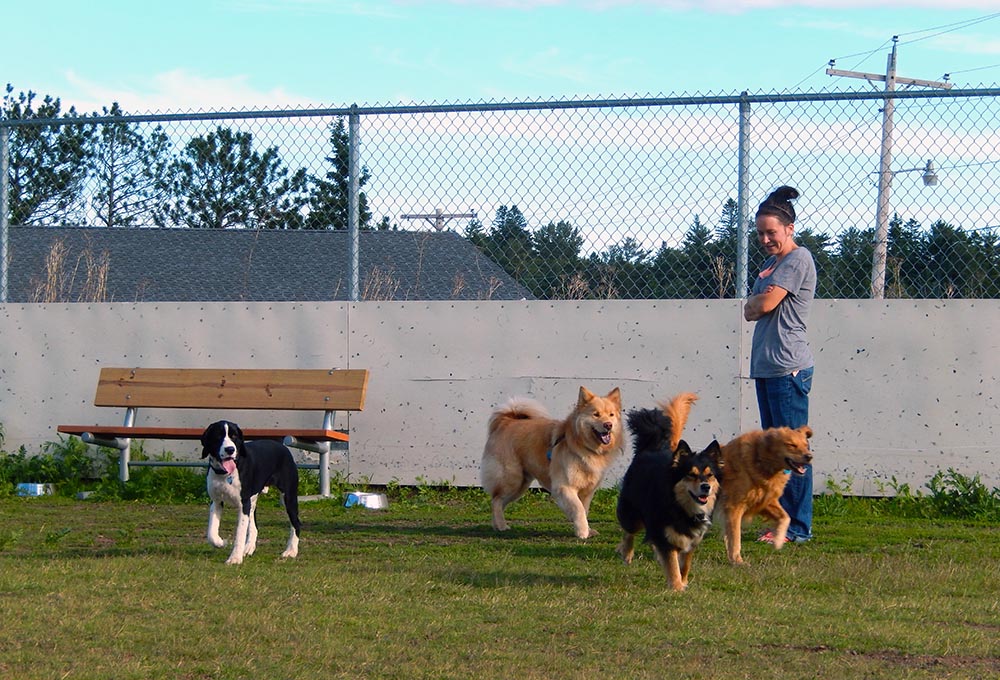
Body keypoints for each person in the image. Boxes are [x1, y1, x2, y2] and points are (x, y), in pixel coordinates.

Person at [743, 185, 816, 544]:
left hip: (788, 368)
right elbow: (748, 309)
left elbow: (763, 306)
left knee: (795, 452)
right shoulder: (771, 265)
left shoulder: (797, 260)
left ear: (789, 228)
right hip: (767, 367)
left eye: (771, 232)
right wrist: (757, 302)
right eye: (760, 233)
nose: (765, 239)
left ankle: (798, 528)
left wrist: (759, 300)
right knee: (775, 453)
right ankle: (780, 522)